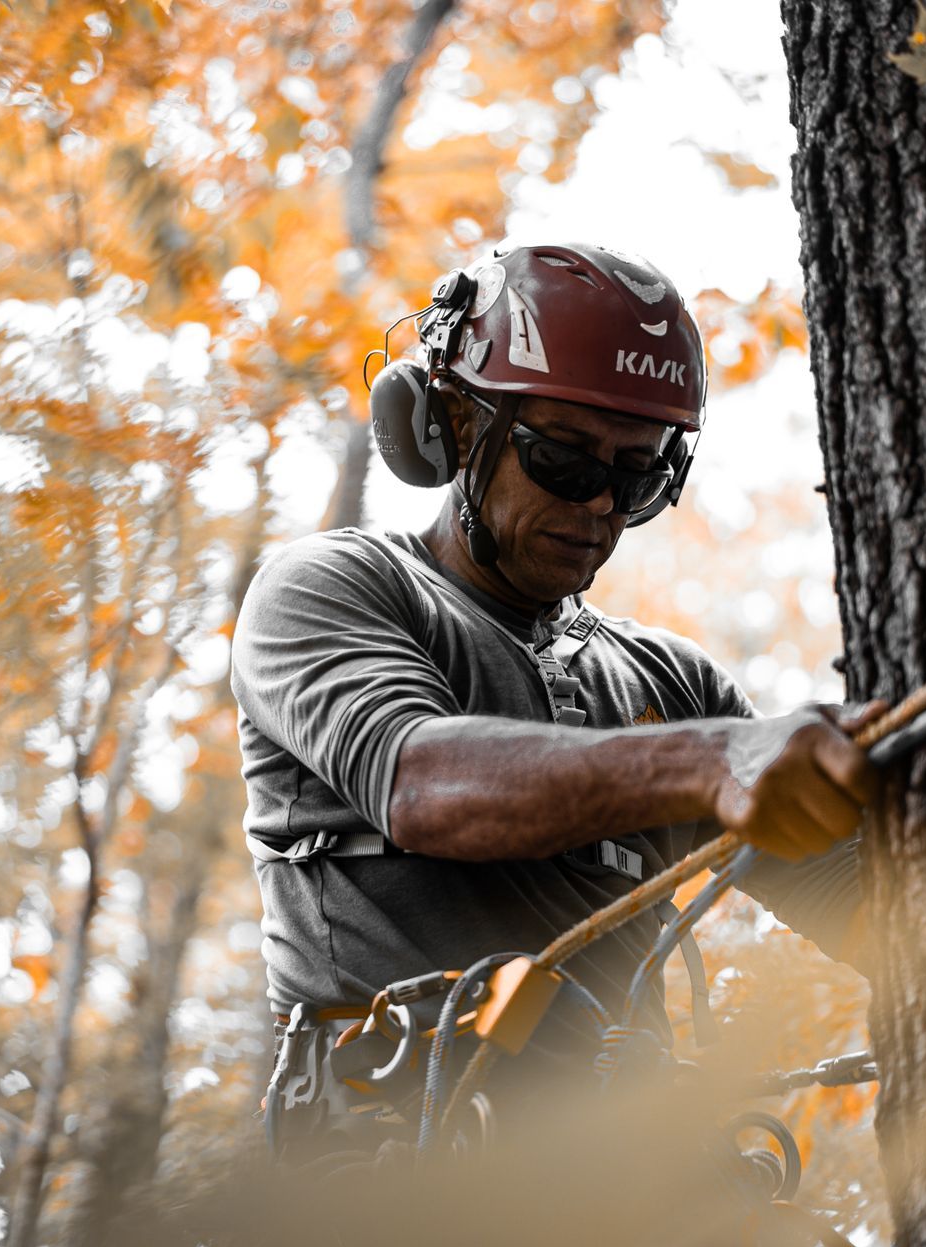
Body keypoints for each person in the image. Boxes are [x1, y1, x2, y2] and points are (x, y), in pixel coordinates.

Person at [230, 242, 877, 1158]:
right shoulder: (337, 586)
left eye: (639, 477)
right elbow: (421, 783)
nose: (603, 506)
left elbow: (872, 907)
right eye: (565, 462)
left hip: (631, 1186)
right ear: (453, 427)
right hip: (396, 1183)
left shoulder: (675, 687)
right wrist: (708, 762)